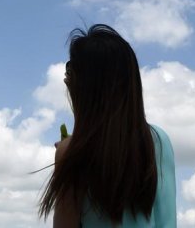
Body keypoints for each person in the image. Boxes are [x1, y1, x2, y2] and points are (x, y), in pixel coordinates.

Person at [39, 24, 177, 228]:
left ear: (81, 84)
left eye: (71, 68)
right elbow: (166, 221)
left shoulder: (71, 153)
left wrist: (68, 151)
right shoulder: (158, 139)